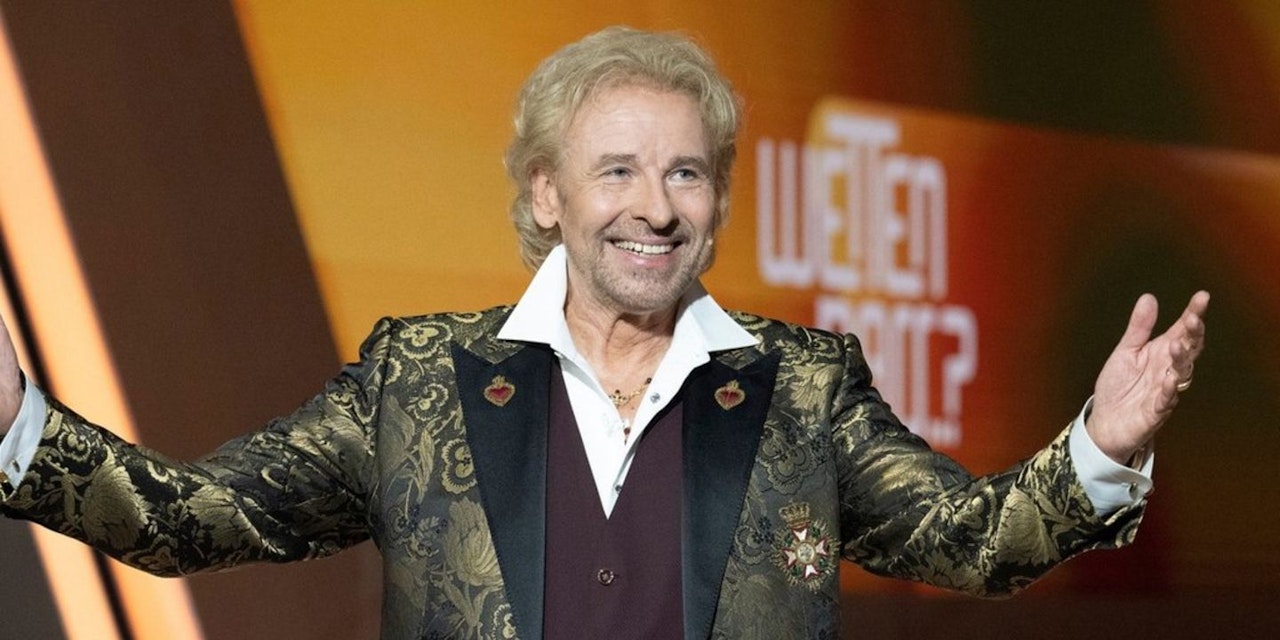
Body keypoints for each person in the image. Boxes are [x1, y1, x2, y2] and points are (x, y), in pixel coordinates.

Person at [0, 26, 1208, 640]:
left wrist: (1100, 444)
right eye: (616, 169)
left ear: (717, 202)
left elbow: (971, 541)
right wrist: (18, 423)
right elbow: (189, 518)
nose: (655, 207)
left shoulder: (802, 387)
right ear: (546, 195)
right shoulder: (415, 381)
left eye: (686, 173)